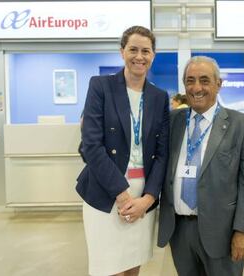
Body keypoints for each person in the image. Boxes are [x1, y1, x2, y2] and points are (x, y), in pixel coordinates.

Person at [76, 26, 169, 276]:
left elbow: (162, 154)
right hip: (106, 191)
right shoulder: (100, 87)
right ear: (122, 52)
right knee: (109, 267)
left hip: (143, 195)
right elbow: (91, 145)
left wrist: (148, 198)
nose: (140, 56)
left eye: (146, 51)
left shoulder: (159, 97)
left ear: (153, 55)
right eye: (133, 50)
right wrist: (122, 195)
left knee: (132, 265)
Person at [157, 56, 244, 276]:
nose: (196, 88)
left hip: (222, 232)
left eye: (204, 80)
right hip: (179, 230)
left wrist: (243, 230)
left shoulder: (241, 125)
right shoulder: (172, 121)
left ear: (218, 84)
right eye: (190, 80)